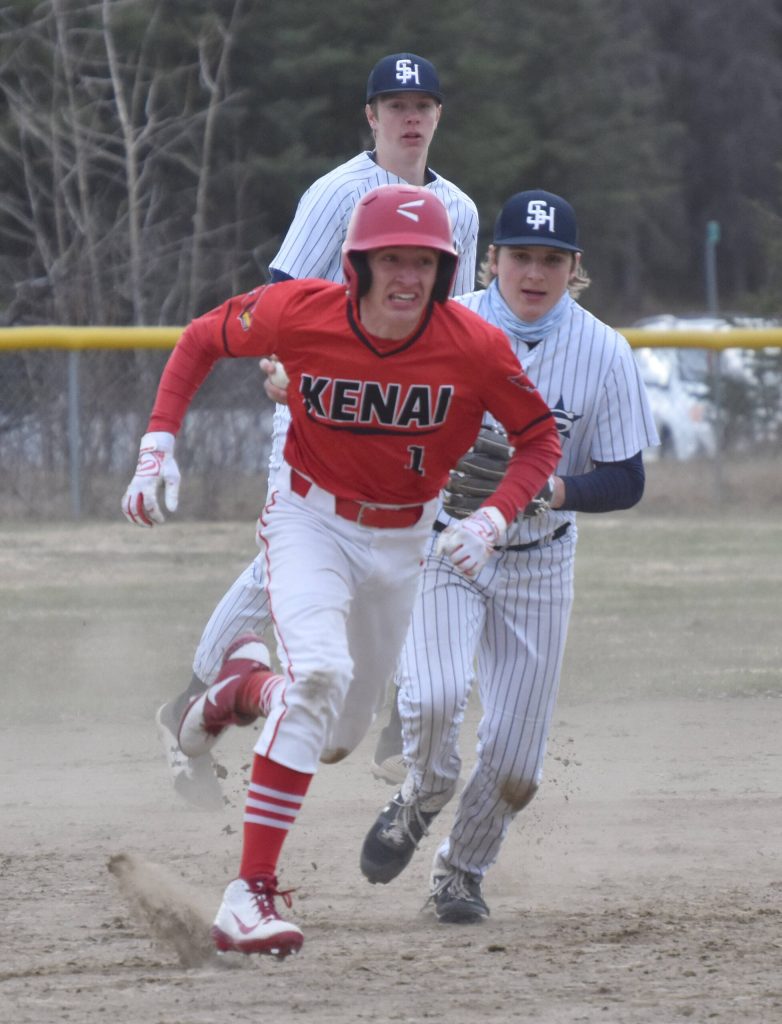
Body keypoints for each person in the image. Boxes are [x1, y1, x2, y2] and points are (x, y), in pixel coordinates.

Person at [121, 184, 561, 957]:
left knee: (338, 735)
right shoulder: (302, 313)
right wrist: (159, 440)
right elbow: (199, 339)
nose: (407, 276)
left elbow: (538, 442)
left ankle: (240, 687)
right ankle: (249, 894)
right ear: (357, 263)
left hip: (405, 541)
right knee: (320, 674)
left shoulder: (474, 345)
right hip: (308, 518)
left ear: (445, 270)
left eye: (424, 262)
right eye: (391, 257)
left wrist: (494, 516)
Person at [151, 51, 479, 809]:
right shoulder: (338, 192)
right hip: (316, 406)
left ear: (438, 116)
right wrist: (283, 370)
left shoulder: (457, 209)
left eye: (423, 103)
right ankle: (193, 700)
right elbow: (280, 295)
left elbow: (446, 320)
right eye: (394, 103)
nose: (409, 115)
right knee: (289, 562)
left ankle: (397, 712)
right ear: (370, 116)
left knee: (402, 550)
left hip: (400, 417)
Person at [358, 189, 659, 924]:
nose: (534, 270)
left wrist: (550, 490)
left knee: (519, 763)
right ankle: (421, 794)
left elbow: (627, 479)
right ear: (491, 259)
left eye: (551, 259)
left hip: (539, 560)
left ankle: (460, 872)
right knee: (432, 697)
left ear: (573, 268)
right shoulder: (444, 325)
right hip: (450, 544)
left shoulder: (604, 352)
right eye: (520, 254)